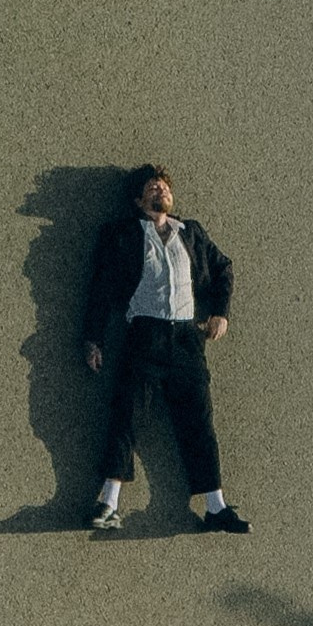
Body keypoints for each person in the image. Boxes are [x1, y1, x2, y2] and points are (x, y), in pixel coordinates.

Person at [82, 165, 251, 532]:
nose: (161, 190)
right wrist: (94, 338)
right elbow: (101, 289)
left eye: (165, 187)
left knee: (199, 423)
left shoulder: (191, 233)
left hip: (188, 340)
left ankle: (215, 507)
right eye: (152, 187)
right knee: (127, 417)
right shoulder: (124, 235)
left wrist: (221, 313)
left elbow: (224, 269)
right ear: (139, 200)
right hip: (144, 335)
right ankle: (108, 502)